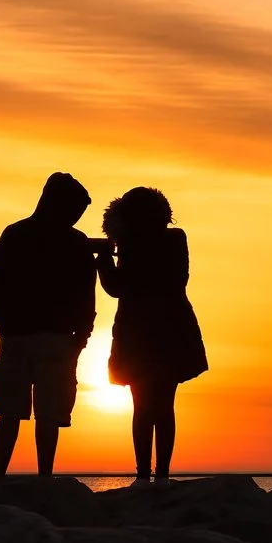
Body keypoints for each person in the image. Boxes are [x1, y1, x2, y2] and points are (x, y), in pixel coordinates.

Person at [0, 171, 98, 479]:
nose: (76, 217)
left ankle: (28, 476)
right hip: (31, 337)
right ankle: (10, 476)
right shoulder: (27, 236)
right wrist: (0, 322)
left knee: (40, 412)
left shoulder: (23, 235)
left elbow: (87, 295)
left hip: (47, 339)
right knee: (16, 410)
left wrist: (81, 337)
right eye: (74, 210)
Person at [96, 186, 206, 482]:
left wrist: (105, 261)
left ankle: (146, 476)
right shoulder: (173, 239)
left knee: (143, 406)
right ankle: (159, 475)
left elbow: (118, 288)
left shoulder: (138, 244)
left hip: (140, 332)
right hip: (170, 329)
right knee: (162, 406)